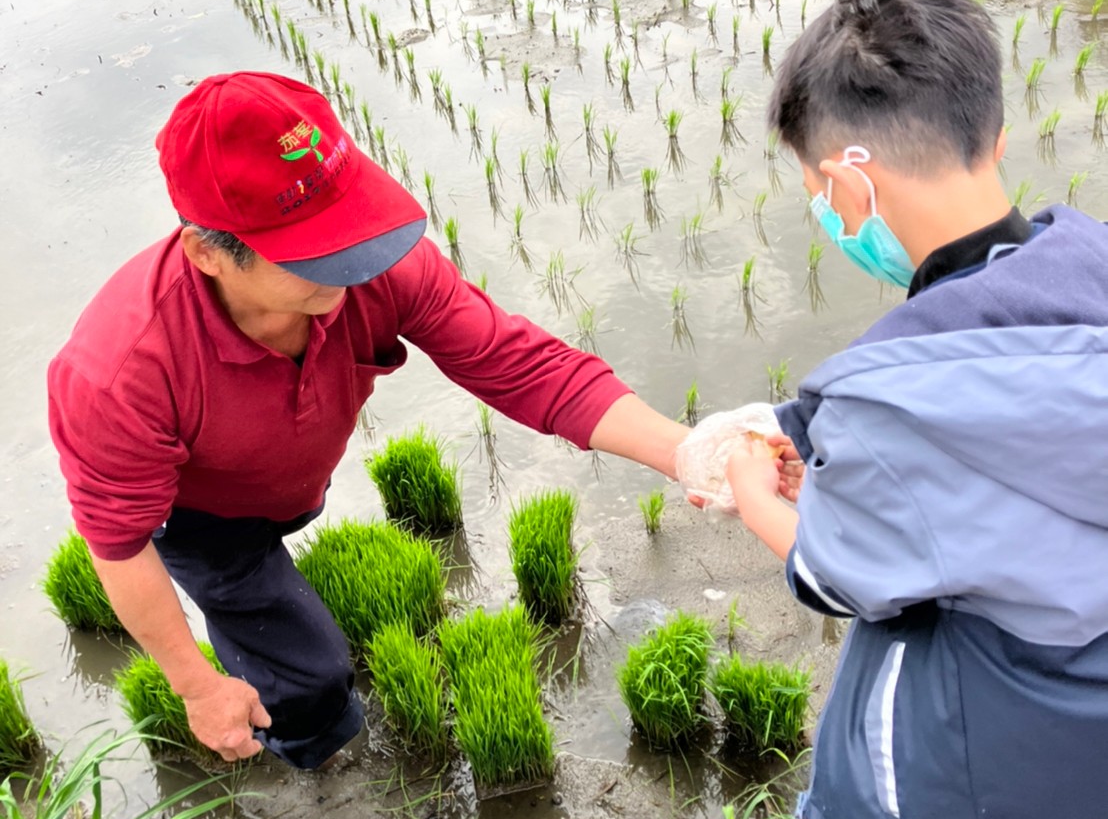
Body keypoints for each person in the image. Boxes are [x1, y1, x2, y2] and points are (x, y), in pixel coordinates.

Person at [48, 71, 687, 772]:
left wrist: (689, 453)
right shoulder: (120, 371)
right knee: (308, 677)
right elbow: (118, 540)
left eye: (347, 227)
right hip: (200, 517)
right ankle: (307, 751)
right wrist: (196, 686)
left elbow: (518, 362)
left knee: (291, 552)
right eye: (310, 249)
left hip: (285, 475)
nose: (353, 265)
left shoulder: (371, 267)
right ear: (208, 253)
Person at [705, 0, 1108, 819]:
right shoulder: (1093, 269)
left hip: (1061, 768)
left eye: (818, 194)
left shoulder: (889, 402)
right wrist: (827, 437)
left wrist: (757, 484)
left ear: (847, 181)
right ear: (995, 140)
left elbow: (839, 575)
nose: (829, 215)